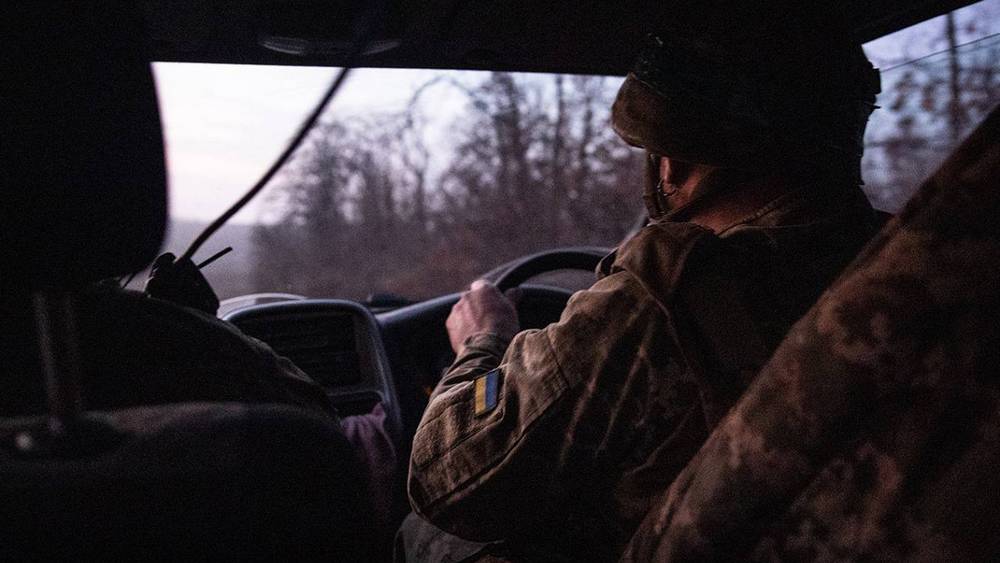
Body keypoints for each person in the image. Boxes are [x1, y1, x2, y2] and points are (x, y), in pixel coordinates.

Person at [398, 7, 885, 562]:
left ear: (671, 166)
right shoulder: (900, 265)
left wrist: (481, 343)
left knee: (427, 534)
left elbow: (443, 479)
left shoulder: (660, 299)